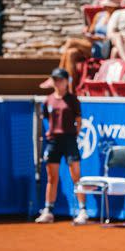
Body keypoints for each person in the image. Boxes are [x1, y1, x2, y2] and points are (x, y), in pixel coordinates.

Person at [35, 68, 88, 226]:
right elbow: (46, 119)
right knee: (52, 178)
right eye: (55, 80)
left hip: (70, 140)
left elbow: (78, 121)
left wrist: (73, 135)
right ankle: (48, 211)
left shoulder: (73, 100)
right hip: (53, 142)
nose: (58, 83)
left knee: (76, 177)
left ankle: (82, 211)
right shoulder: (48, 100)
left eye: (60, 80)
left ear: (67, 81)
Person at [55, 0, 120, 90]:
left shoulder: (118, 17)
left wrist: (99, 38)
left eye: (109, 6)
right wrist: (87, 32)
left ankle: (57, 76)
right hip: (92, 45)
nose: (106, 7)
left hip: (104, 48)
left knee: (71, 42)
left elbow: (115, 37)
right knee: (70, 53)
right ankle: (69, 89)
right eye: (105, 5)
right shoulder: (99, 16)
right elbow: (91, 31)